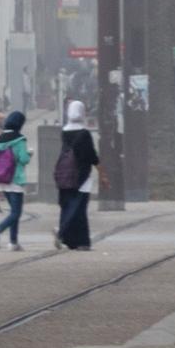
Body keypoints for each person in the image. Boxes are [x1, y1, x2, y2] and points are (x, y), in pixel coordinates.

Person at [55, 99, 101, 251]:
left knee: (67, 205)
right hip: (81, 176)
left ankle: (69, 239)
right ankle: (77, 239)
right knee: (79, 209)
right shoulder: (84, 133)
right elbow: (91, 156)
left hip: (65, 175)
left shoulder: (64, 131)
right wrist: (103, 173)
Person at [0, 110, 32, 250]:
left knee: (14, 211)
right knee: (16, 212)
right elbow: (23, 159)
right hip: (16, 179)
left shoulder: (0, 139)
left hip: (2, 180)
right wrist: (30, 154)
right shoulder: (20, 139)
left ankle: (13, 242)